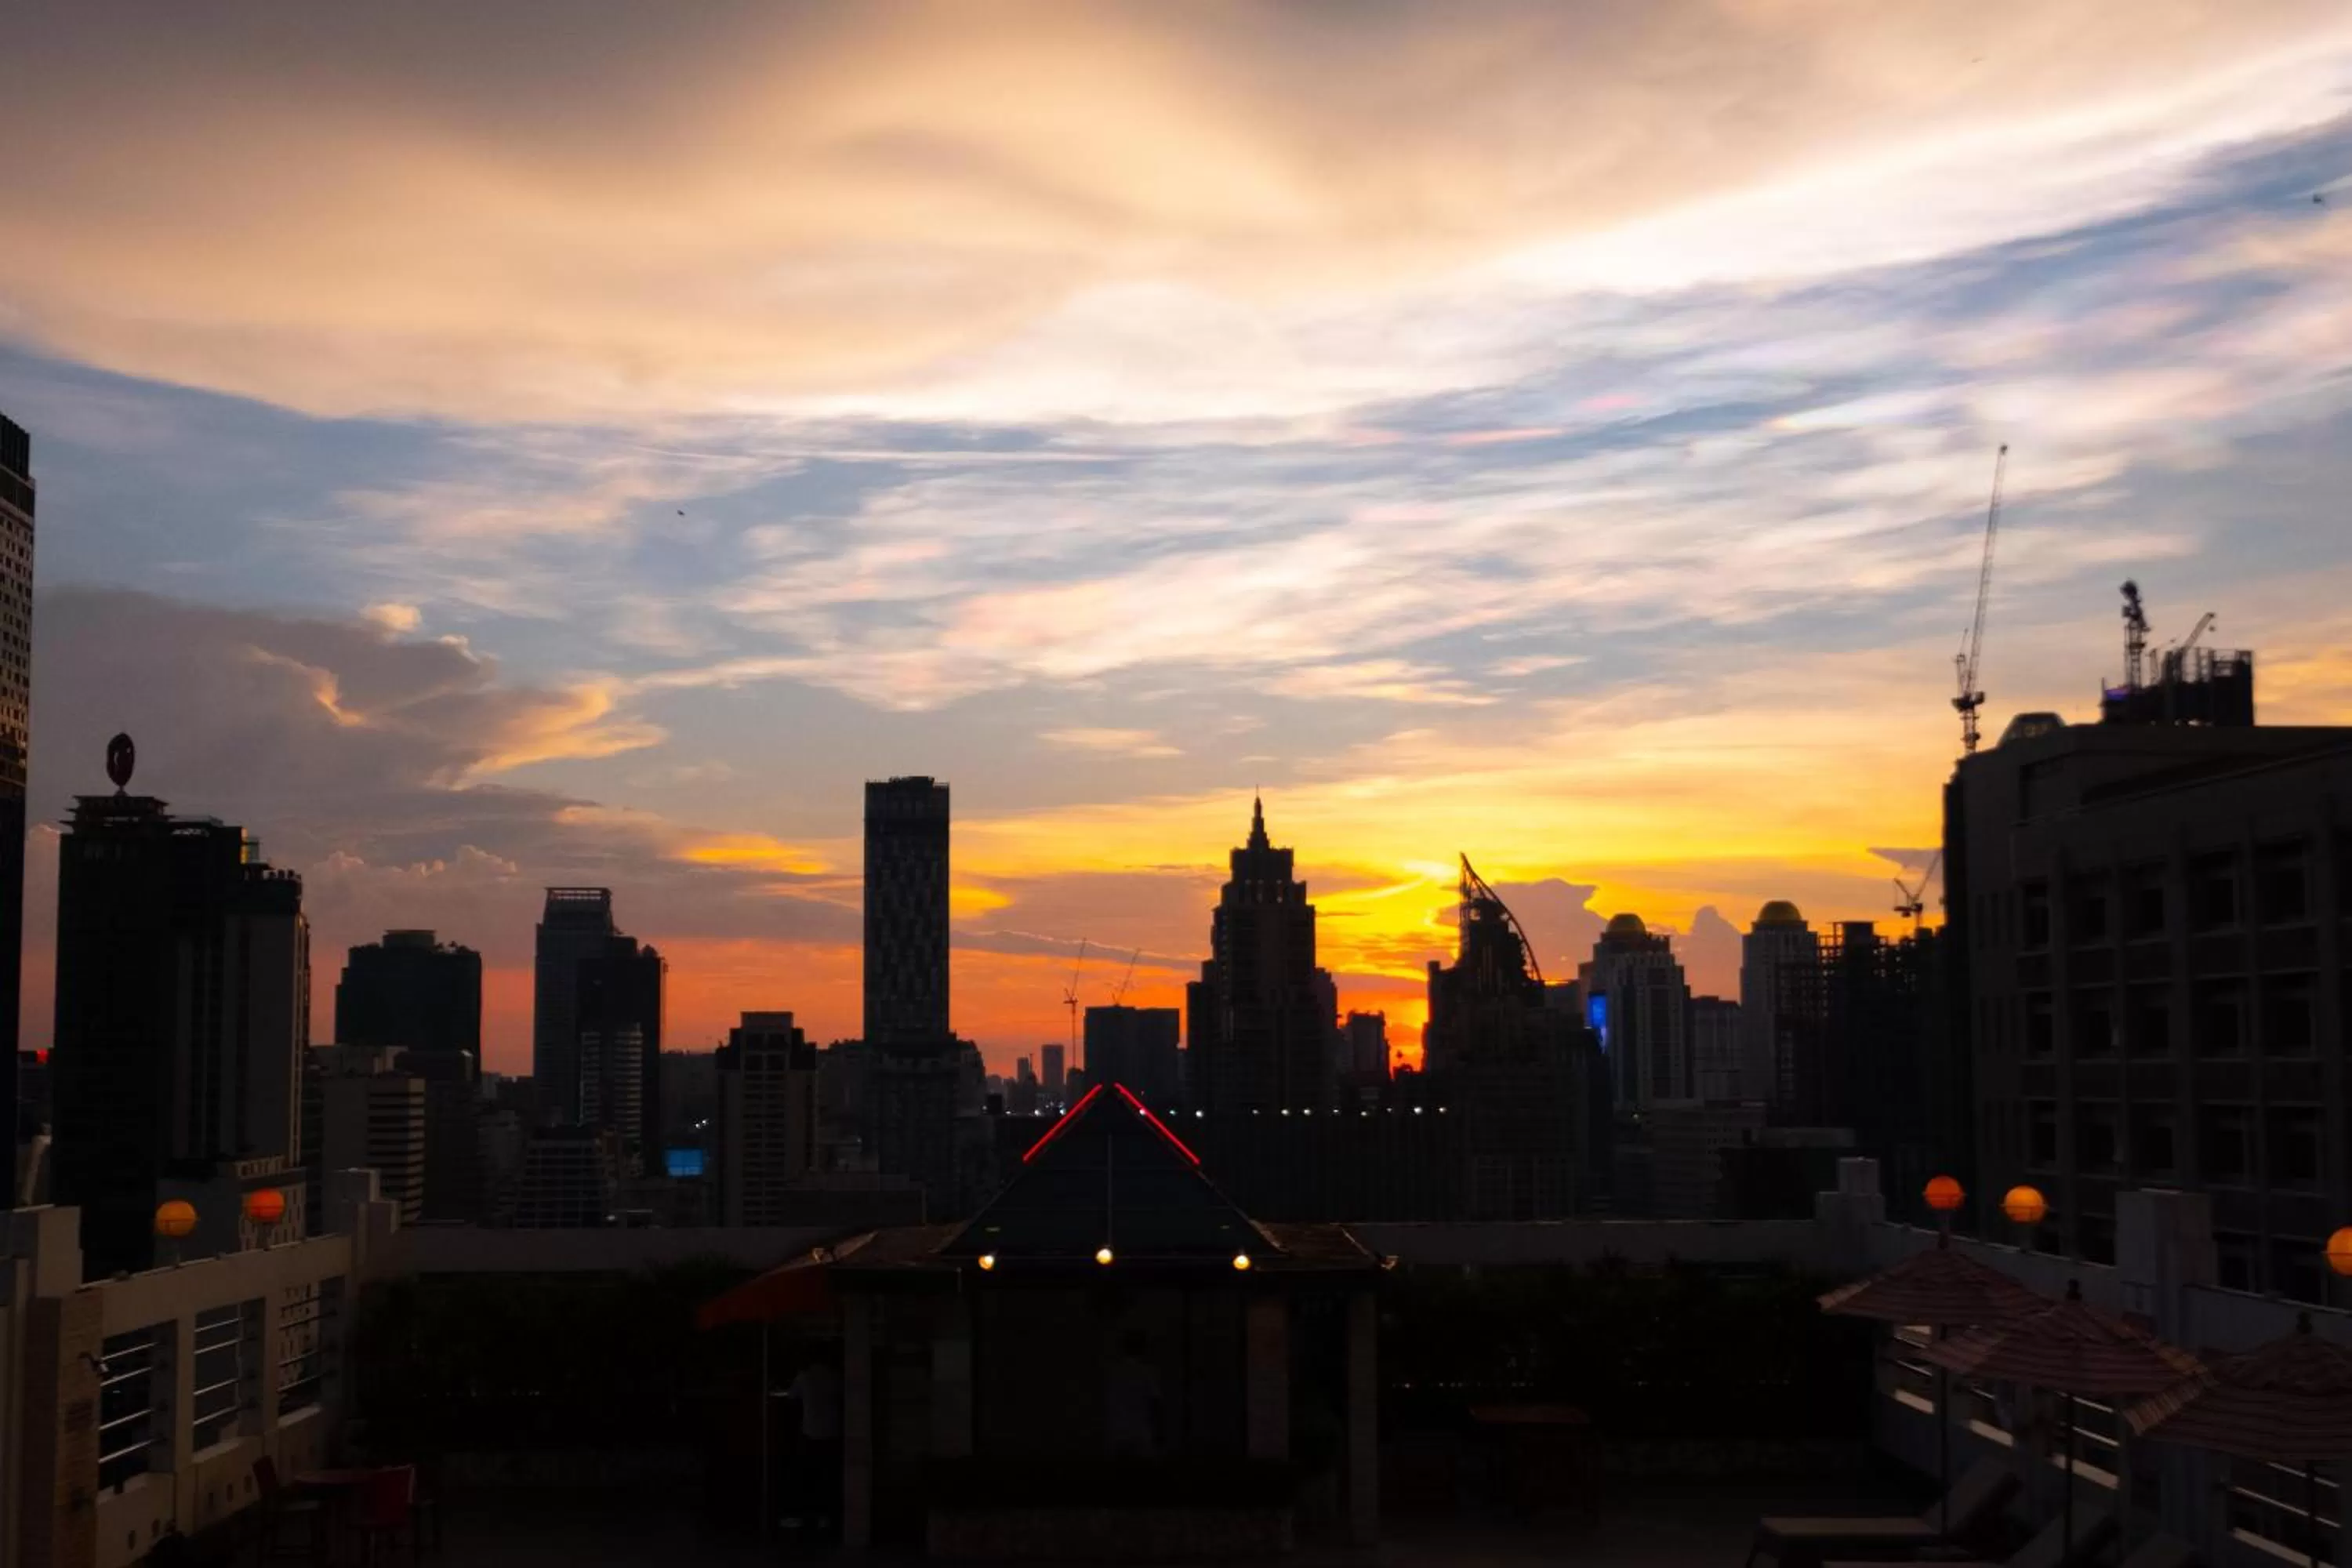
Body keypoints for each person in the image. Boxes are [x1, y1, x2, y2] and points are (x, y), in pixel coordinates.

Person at [786, 1346, 844, 1539]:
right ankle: (825, 1517)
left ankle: (805, 1515)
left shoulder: (804, 1377)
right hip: (832, 1432)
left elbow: (791, 1396)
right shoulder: (835, 1377)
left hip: (810, 1433)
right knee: (827, 1476)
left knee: (807, 1475)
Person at [1104, 1330, 1163, 1458]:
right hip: (1141, 1433)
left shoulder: (1114, 1373)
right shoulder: (1147, 1373)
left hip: (1119, 1432)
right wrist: (1158, 1430)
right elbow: (1155, 1404)